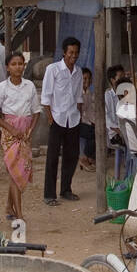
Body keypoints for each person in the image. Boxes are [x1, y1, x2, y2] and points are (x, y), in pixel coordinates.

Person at [0, 52, 41, 221]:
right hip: (9, 134)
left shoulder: (29, 86)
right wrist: (11, 129)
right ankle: (19, 214)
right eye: (14, 64)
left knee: (18, 172)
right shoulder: (1, 88)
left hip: (25, 134)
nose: (18, 67)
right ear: (7, 67)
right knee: (14, 172)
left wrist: (30, 131)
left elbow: (36, 112)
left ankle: (9, 207)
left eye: (21, 64)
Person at [40, 36, 84, 205]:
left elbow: (79, 97)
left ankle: (66, 190)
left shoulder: (78, 72)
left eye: (76, 52)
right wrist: (51, 120)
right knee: (52, 158)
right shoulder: (53, 70)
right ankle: (49, 195)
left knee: (71, 157)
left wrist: (78, 116)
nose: (74, 55)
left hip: (73, 119)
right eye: (71, 52)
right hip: (57, 119)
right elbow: (46, 97)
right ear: (64, 53)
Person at [78, 67, 97, 172]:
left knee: (97, 130)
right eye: (84, 79)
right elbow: (80, 112)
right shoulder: (78, 92)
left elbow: (90, 111)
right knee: (92, 133)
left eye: (89, 79)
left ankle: (89, 157)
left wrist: (93, 121)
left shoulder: (89, 93)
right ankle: (84, 158)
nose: (87, 81)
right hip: (77, 122)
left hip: (87, 121)